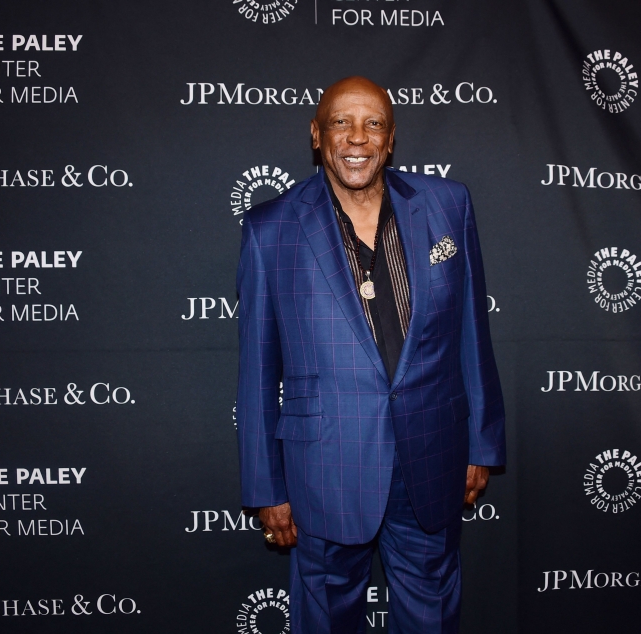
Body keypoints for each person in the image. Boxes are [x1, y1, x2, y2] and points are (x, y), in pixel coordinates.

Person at [235, 76, 505, 634]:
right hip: (325, 469)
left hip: (432, 455)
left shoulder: (447, 205)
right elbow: (257, 373)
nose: (357, 138)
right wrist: (267, 487)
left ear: (390, 138)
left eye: (373, 123)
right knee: (328, 618)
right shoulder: (271, 230)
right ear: (317, 135)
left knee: (431, 614)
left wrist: (482, 440)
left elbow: (472, 335)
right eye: (341, 122)